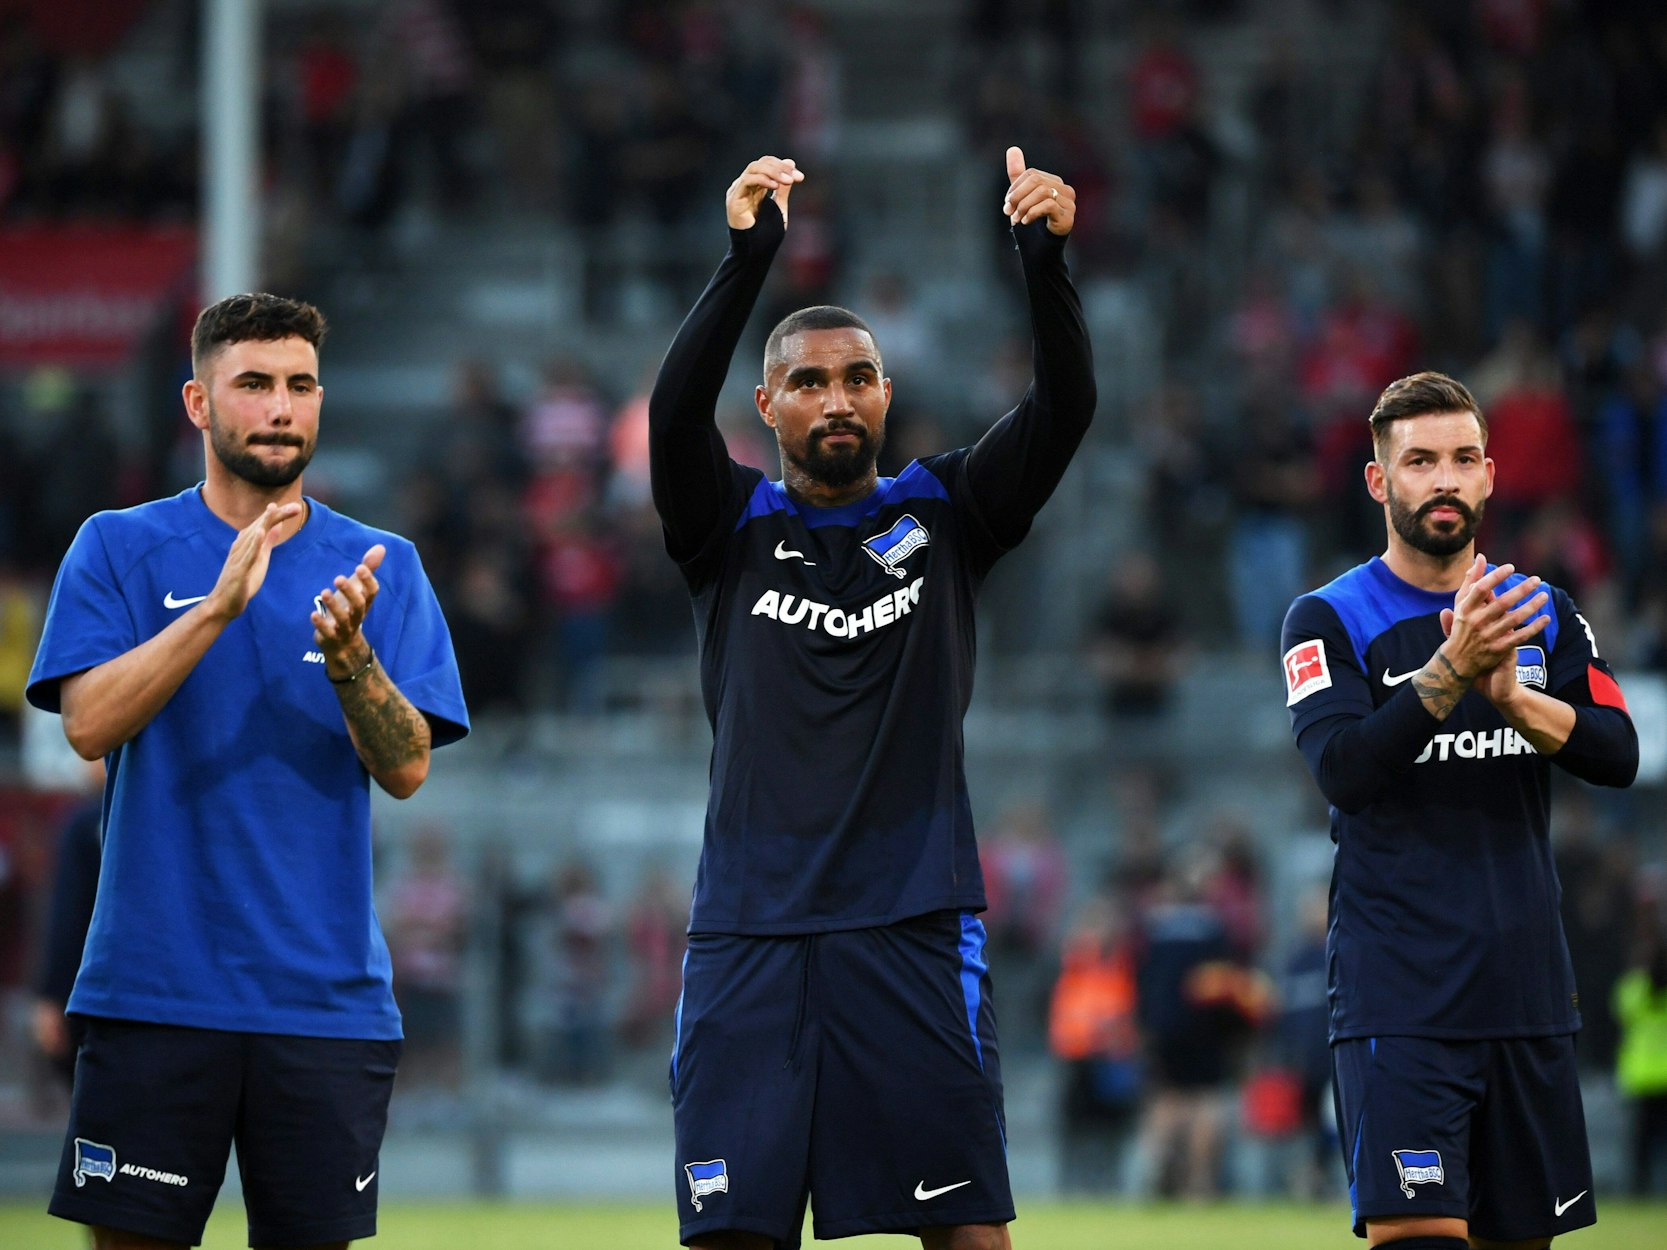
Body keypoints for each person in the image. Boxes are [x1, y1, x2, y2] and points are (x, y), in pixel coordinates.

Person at [649, 149, 1094, 1250]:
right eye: (807, 381)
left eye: (857, 377)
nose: (835, 398)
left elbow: (1065, 406)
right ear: (767, 406)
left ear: (887, 394)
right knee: (728, 1235)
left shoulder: (946, 511)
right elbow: (669, 413)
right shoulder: (728, 528)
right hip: (748, 930)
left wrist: (1043, 263)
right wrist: (747, 257)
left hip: (910, 923)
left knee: (969, 1236)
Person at [25, 292, 470, 1250]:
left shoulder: (379, 564)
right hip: (154, 992)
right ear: (198, 404)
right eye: (255, 384)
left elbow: (406, 770)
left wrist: (352, 661)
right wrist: (216, 608)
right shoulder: (118, 546)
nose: (280, 407)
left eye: (300, 385)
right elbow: (88, 725)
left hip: (324, 1002)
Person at [1280, 371, 1637, 1249]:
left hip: (1525, 996)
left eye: (1462, 459)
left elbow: (1618, 752)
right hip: (1398, 1000)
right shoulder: (1327, 618)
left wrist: (1516, 702)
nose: (1443, 479)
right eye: (1420, 461)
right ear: (1379, 481)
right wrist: (1449, 675)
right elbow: (1343, 770)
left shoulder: (1540, 612)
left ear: (1488, 476)